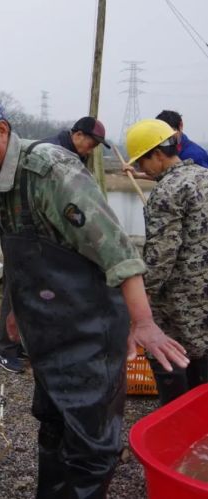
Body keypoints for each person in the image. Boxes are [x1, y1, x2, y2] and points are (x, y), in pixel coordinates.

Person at [0, 91, 189, 499]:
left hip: (90, 327)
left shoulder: (51, 172)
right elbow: (17, 256)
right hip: (46, 327)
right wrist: (16, 311)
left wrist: (144, 323)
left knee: (92, 442)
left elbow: (118, 252)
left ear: (2, 129)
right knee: (52, 422)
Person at [0, 115, 111, 373]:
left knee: (40, 288)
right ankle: (3, 349)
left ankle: (24, 341)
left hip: (43, 235)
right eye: (92, 143)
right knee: (17, 284)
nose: (93, 149)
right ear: (78, 134)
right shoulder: (49, 153)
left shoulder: (74, 155)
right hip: (21, 231)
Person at [126, 119, 208, 406]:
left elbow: (160, 256)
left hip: (179, 304)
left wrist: (141, 298)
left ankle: (176, 427)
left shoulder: (166, 191)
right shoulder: (203, 176)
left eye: (142, 161)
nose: (141, 169)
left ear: (158, 154)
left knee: (172, 366)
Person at [44, 115, 110, 163]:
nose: (90, 152)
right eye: (90, 145)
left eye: (94, 147)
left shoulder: (77, 156)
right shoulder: (49, 152)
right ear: (79, 135)